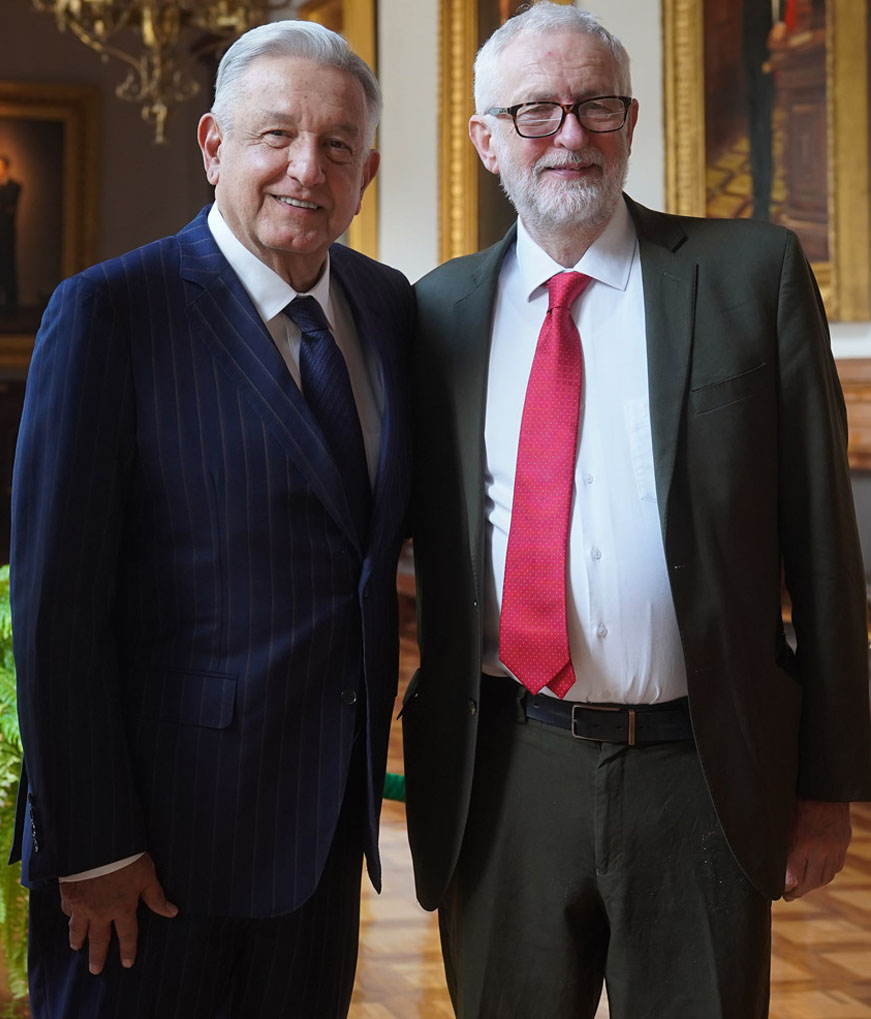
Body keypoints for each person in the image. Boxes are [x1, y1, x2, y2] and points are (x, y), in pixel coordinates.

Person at [402, 4, 871, 1018]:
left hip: (698, 772)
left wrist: (828, 782)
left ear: (632, 120)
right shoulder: (433, 312)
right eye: (534, 111)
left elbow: (825, 552)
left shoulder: (750, 277)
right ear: (487, 141)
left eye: (595, 105)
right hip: (504, 771)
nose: (568, 133)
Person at [10, 19, 412, 1019]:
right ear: (212, 144)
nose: (304, 168)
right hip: (148, 855)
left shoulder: (391, 309)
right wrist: (93, 838)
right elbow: (58, 607)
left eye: (336, 145)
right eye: (275, 135)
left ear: (368, 169)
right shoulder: (110, 313)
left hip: (319, 847)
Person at [0, 155, 21, 317]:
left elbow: (9, 206)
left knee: (8, 271)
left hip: (6, 237)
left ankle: (11, 310)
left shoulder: (14, 187)